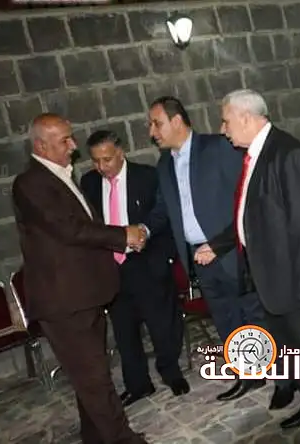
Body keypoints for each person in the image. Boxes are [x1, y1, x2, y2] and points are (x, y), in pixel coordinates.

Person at [203, 88, 300, 444]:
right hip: (270, 279)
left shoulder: (287, 153)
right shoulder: (254, 156)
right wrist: (221, 245)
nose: (223, 129)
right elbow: (250, 218)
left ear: (246, 117)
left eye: (226, 121)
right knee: (294, 350)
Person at [12, 113, 148, 444]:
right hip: (64, 301)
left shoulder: (60, 176)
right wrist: (123, 235)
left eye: (71, 137)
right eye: (64, 140)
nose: (73, 146)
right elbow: (69, 229)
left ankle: (96, 438)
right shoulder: (31, 183)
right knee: (96, 379)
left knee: (89, 377)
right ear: (41, 146)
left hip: (84, 294)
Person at [143, 96, 272, 403]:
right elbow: (163, 209)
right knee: (225, 317)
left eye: (157, 124)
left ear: (177, 121)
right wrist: (143, 229)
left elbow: (247, 198)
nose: (151, 132)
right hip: (198, 257)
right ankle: (248, 374)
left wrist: (220, 243)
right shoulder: (164, 164)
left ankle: (281, 377)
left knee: (254, 313)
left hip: (232, 249)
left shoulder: (218, 147)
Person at [80, 130, 187, 406]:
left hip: (146, 262)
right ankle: (138, 384)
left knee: (162, 325)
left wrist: (145, 232)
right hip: (112, 268)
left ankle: (171, 372)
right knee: (124, 330)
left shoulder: (147, 176)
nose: (101, 167)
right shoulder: (89, 183)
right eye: (95, 161)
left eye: (107, 159)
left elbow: (162, 213)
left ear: (121, 153)